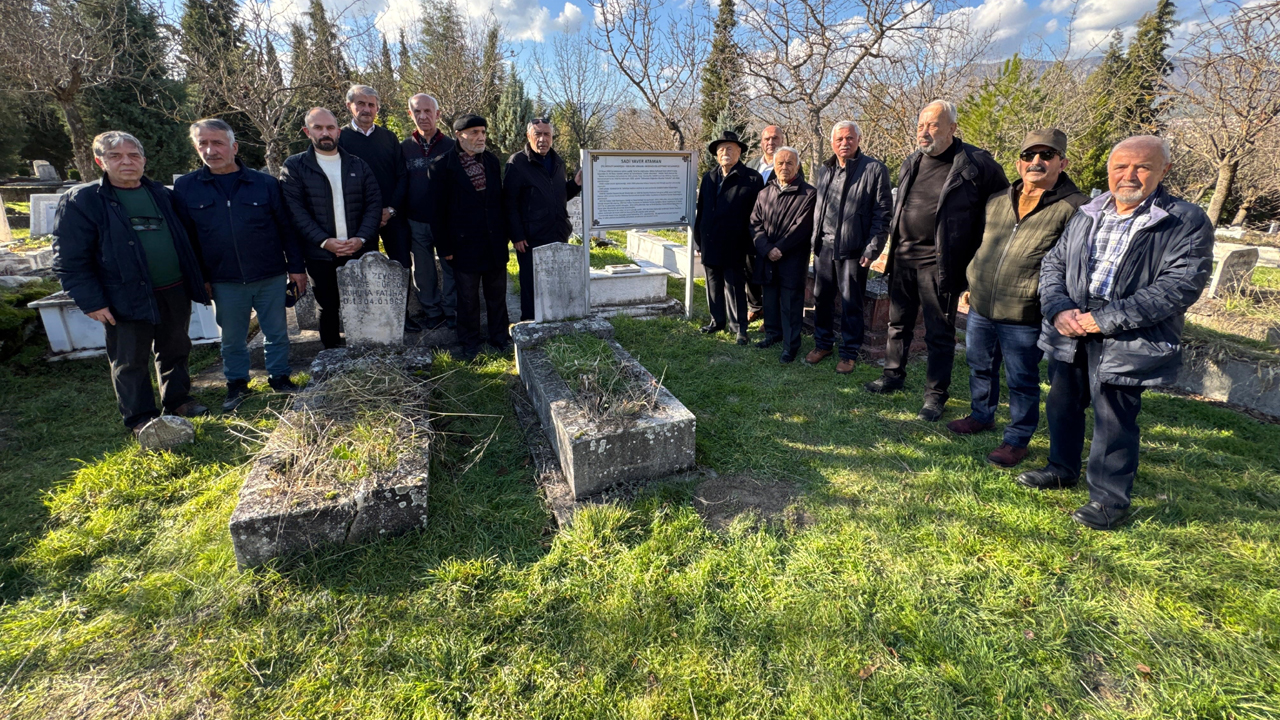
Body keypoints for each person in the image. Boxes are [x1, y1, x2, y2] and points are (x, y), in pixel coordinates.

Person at [1019, 135, 1213, 530]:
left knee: (1114, 418)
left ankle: (1109, 500)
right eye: (1120, 167)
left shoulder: (1183, 220)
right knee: (1061, 403)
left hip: (1127, 333)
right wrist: (1058, 310)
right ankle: (1061, 468)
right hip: (1072, 326)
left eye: (1141, 166)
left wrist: (1102, 320)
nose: (1129, 175)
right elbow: (1055, 264)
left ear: (1164, 171)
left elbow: (1178, 286)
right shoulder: (1089, 212)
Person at [51, 131, 211, 434]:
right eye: (116, 156)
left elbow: (186, 240)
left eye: (134, 155)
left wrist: (197, 279)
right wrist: (92, 301)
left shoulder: (162, 195)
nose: (127, 161)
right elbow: (69, 258)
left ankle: (178, 399)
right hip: (124, 295)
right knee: (129, 359)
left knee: (176, 347)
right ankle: (141, 417)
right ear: (100, 161)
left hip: (173, 289)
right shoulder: (84, 200)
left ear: (143, 160)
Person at [948, 128, 1087, 467]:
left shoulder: (1075, 207)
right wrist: (972, 280)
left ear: (1062, 162)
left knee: (1021, 378)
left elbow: (1071, 263)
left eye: (1046, 155)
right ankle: (982, 414)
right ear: (1019, 162)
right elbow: (985, 243)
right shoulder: (998, 199)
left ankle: (1017, 438)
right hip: (982, 302)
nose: (1036, 162)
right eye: (1029, 155)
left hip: (1025, 310)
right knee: (979, 365)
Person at [865, 100, 1009, 421]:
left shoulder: (976, 164)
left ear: (952, 128)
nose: (924, 132)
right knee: (897, 323)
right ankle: (892, 375)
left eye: (933, 125)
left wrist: (980, 262)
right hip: (903, 259)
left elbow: (1001, 212)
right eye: (920, 126)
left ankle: (934, 396)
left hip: (939, 263)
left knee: (938, 332)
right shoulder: (912, 161)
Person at [175, 118, 308, 411]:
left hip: (269, 273)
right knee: (232, 338)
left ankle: (279, 378)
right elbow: (187, 241)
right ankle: (236, 383)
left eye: (218, 142)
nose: (211, 150)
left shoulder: (265, 184)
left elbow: (286, 229)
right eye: (203, 144)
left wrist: (297, 268)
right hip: (223, 279)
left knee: (276, 332)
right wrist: (201, 278)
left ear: (234, 147)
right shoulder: (186, 188)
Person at [280, 107, 383, 349]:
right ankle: (332, 358)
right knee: (327, 307)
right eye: (318, 127)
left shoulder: (358, 164)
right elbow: (295, 210)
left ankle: (368, 357)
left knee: (364, 304)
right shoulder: (295, 166)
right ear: (307, 131)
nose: (324, 133)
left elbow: (373, 203)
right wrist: (325, 242)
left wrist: (361, 238)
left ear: (338, 131)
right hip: (320, 254)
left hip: (359, 251)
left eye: (329, 128)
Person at [805, 120, 893, 374]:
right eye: (839, 139)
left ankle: (849, 352)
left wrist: (872, 248)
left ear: (858, 140)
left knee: (850, 302)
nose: (844, 143)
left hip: (854, 249)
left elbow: (883, 213)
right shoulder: (826, 169)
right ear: (833, 142)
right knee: (821, 298)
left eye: (849, 138)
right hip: (824, 247)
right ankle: (823, 344)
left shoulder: (874, 169)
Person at [428, 114, 510, 360]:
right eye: (474, 132)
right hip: (463, 244)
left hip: (494, 241)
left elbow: (498, 202)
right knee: (467, 298)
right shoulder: (441, 165)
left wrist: (505, 234)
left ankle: (499, 339)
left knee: (497, 295)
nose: (481, 137)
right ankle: (469, 344)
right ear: (458, 135)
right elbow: (436, 211)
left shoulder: (492, 161)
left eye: (483, 132)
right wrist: (444, 247)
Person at [338, 84, 415, 330]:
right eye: (360, 103)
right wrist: (369, 214)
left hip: (392, 215)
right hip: (359, 219)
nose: (366, 109)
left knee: (402, 264)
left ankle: (401, 316)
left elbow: (402, 176)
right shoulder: (340, 138)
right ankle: (368, 318)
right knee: (362, 268)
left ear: (377, 109)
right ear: (349, 106)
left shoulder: (388, 138)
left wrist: (390, 209)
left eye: (371, 105)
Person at [504, 118, 583, 321]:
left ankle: (555, 321)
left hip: (557, 233)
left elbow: (559, 195)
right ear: (529, 136)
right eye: (537, 134)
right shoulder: (517, 163)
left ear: (552, 137)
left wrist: (575, 184)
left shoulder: (558, 162)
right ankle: (530, 325)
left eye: (546, 134)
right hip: (531, 239)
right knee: (531, 286)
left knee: (556, 282)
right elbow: (509, 203)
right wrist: (517, 235)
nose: (542, 139)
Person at [693, 130, 764, 345]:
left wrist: (751, 242)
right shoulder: (709, 177)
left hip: (736, 243)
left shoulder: (752, 178)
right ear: (716, 154)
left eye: (730, 148)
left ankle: (739, 328)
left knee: (734, 286)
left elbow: (757, 214)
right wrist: (698, 239)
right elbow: (702, 209)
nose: (725, 152)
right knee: (712, 284)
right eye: (721, 149)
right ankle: (717, 321)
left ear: (739, 151)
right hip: (710, 240)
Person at [749, 146, 816, 363]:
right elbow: (755, 223)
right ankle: (773, 334)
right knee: (770, 299)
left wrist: (780, 248)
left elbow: (801, 227)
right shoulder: (764, 192)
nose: (784, 167)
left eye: (789, 163)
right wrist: (767, 248)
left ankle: (790, 345)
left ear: (797, 165)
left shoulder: (808, 193)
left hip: (792, 259)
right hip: (767, 257)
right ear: (774, 166)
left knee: (790, 303)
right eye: (780, 163)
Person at [400, 93, 457, 330]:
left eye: (428, 111)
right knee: (422, 271)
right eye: (417, 112)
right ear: (410, 114)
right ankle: (432, 312)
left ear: (438, 114)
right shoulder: (403, 148)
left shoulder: (452, 147)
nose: (423, 116)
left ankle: (452, 311)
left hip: (446, 221)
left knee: (451, 267)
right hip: (416, 220)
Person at [747, 124, 787, 321]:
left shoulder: (788, 163)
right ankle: (755, 306)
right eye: (767, 139)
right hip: (752, 226)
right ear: (761, 142)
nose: (771, 142)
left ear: (782, 140)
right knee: (750, 267)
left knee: (772, 272)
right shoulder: (753, 164)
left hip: (775, 229)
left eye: (775, 138)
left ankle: (772, 313)